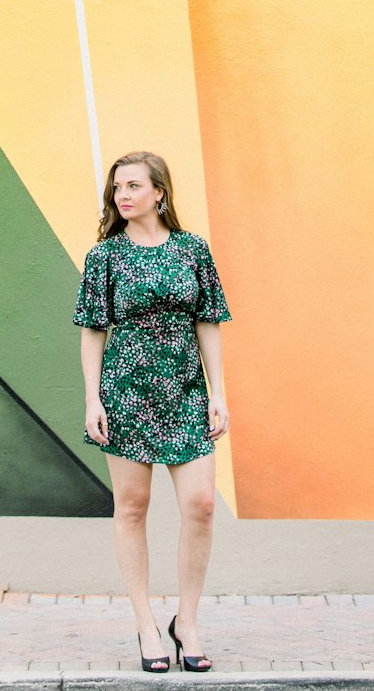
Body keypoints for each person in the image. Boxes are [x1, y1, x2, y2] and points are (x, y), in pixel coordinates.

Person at [73, 150, 231, 674]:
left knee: (202, 503)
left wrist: (217, 392)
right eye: (118, 187)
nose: (123, 195)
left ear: (159, 193)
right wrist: (92, 396)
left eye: (134, 186)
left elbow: (209, 320)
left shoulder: (192, 250)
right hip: (127, 391)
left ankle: (186, 621)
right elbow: (93, 329)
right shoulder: (106, 257)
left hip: (185, 390)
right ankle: (145, 623)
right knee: (133, 507)